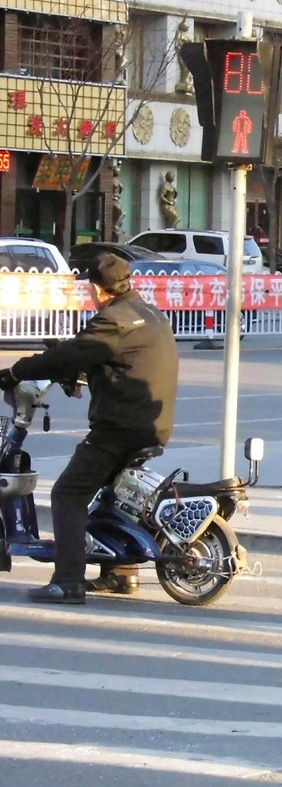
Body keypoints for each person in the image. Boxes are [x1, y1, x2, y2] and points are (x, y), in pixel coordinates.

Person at [0, 255, 179, 604]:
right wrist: (85, 374)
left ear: (98, 288)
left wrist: (15, 373)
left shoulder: (112, 321)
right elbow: (119, 362)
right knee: (111, 498)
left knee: (68, 493)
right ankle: (120, 574)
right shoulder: (148, 313)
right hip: (153, 425)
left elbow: (67, 355)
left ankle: (68, 581)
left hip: (120, 429)